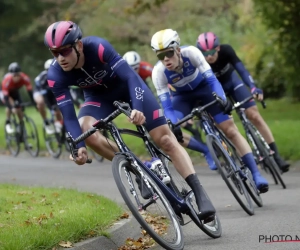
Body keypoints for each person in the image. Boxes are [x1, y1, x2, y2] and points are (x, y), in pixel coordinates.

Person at [44, 21, 216, 222]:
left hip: (130, 89)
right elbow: (69, 115)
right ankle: (138, 169)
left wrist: (137, 108)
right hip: (98, 99)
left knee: (166, 140)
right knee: (86, 131)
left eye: (64, 51)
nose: (60, 58)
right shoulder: (55, 74)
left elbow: (131, 77)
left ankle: (199, 192)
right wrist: (79, 147)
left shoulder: (98, 47)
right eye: (54, 53)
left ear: (78, 45)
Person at [150, 29, 269, 193]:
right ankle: (206, 150)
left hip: (205, 90)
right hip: (182, 98)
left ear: (177, 49)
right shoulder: (158, 72)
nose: (165, 59)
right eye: (160, 56)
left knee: (230, 130)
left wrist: (222, 98)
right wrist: (173, 123)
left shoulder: (192, 53)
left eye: (169, 53)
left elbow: (212, 80)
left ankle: (256, 174)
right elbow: (167, 107)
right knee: (170, 129)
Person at [196, 32, 290, 173]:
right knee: (226, 126)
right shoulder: (197, 60)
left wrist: (253, 87)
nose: (208, 56)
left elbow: (241, 70)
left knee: (254, 115)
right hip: (216, 91)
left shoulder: (227, 50)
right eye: (205, 53)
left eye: (211, 52)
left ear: (218, 48)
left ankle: (276, 155)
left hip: (233, 84)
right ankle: (244, 159)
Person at [125, 51, 212, 168]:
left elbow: (164, 83)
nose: (134, 71)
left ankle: (205, 148)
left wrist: (169, 100)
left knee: (169, 130)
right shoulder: (125, 77)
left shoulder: (146, 68)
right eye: (130, 69)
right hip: (142, 105)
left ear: (139, 65)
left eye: (136, 68)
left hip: (157, 100)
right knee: (160, 135)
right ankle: (203, 149)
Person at [1, 62, 35, 134]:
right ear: (11, 75)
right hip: (5, 93)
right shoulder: (7, 81)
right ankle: (8, 122)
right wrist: (11, 107)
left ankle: (22, 127)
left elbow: (30, 90)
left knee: (19, 108)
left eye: (18, 75)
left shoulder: (24, 78)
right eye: (14, 75)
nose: (16, 77)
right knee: (12, 107)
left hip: (15, 92)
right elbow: (6, 98)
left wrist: (33, 101)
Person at [34, 59, 63, 134]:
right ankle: (45, 121)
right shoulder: (43, 77)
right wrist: (51, 107)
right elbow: (44, 94)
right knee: (41, 103)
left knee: (58, 110)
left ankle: (58, 125)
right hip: (40, 91)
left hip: (51, 91)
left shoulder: (60, 75)